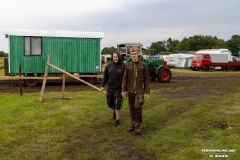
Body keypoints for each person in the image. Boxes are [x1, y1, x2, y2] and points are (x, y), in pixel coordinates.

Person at [122, 47, 150, 135]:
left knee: (137, 106)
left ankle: (138, 125)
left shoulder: (143, 65)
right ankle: (133, 124)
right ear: (130, 55)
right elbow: (125, 78)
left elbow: (147, 79)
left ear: (137, 54)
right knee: (131, 108)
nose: (134, 55)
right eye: (132, 54)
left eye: (135, 54)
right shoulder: (127, 65)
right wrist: (124, 90)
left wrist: (147, 91)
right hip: (130, 90)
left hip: (140, 90)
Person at [101, 51, 125, 127]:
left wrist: (125, 89)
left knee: (118, 104)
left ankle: (118, 120)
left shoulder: (123, 66)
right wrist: (102, 86)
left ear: (119, 57)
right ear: (112, 57)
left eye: (116, 57)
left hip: (119, 89)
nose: (115, 58)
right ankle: (114, 110)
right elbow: (105, 77)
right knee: (109, 103)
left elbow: (126, 78)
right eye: (114, 57)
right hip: (110, 88)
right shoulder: (109, 66)